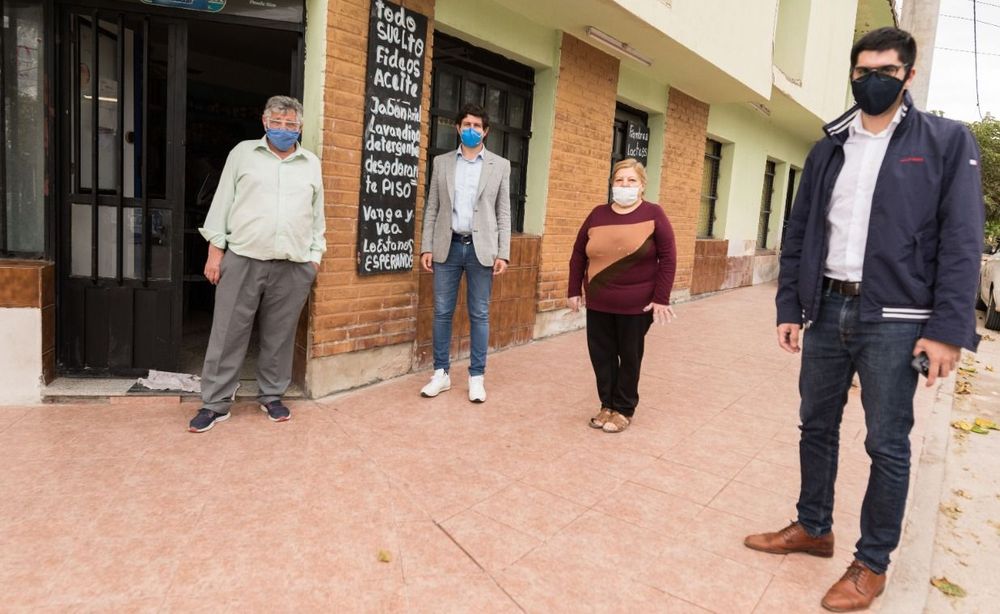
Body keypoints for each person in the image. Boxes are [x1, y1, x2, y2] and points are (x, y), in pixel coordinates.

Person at [744, 27, 984, 612]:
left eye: (885, 71)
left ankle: (872, 563)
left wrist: (947, 330)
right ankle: (813, 527)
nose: (872, 80)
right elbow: (800, 231)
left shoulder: (945, 141)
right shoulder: (830, 145)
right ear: (852, 74)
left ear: (909, 74)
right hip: (827, 307)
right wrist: (790, 306)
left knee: (887, 444)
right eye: (862, 71)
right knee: (815, 426)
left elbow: (962, 240)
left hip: (898, 319)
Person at [188, 95, 326, 433]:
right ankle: (215, 402)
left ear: (300, 127)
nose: (283, 128)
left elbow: (317, 213)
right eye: (276, 122)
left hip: (293, 264)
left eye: (290, 124)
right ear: (265, 122)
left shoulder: (310, 163)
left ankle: (272, 395)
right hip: (244, 257)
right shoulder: (243, 153)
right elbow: (223, 201)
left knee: (280, 334)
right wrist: (215, 251)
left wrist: (314, 257)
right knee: (228, 331)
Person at [567, 158, 677, 433]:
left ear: (642, 186)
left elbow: (668, 258)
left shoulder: (654, 214)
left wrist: (661, 298)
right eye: (619, 180)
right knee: (601, 355)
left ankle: (624, 408)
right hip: (598, 301)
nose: (624, 185)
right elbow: (578, 253)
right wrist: (573, 290)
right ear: (611, 183)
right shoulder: (597, 214)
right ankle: (607, 404)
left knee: (629, 356)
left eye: (631, 180)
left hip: (636, 304)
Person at [418, 103, 511, 403]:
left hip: (481, 250)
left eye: (477, 126)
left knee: (479, 313)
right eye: (467, 125)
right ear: (457, 128)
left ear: (486, 131)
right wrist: (427, 246)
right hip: (447, 246)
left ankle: (476, 376)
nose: (472, 130)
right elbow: (432, 207)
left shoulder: (500, 165)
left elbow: (503, 212)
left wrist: (503, 252)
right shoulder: (442, 162)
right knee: (442, 312)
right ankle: (441, 373)